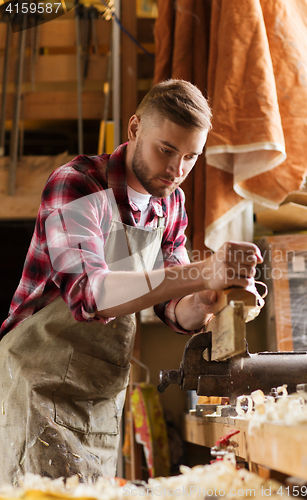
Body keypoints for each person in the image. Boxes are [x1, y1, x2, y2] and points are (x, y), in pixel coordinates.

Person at [0, 79, 262, 485]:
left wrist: (207, 300)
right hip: (36, 387)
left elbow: (173, 308)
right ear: (135, 128)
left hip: (100, 398)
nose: (177, 171)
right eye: (167, 150)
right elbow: (91, 296)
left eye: (191, 157)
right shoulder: (77, 184)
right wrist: (203, 271)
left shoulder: (170, 204)